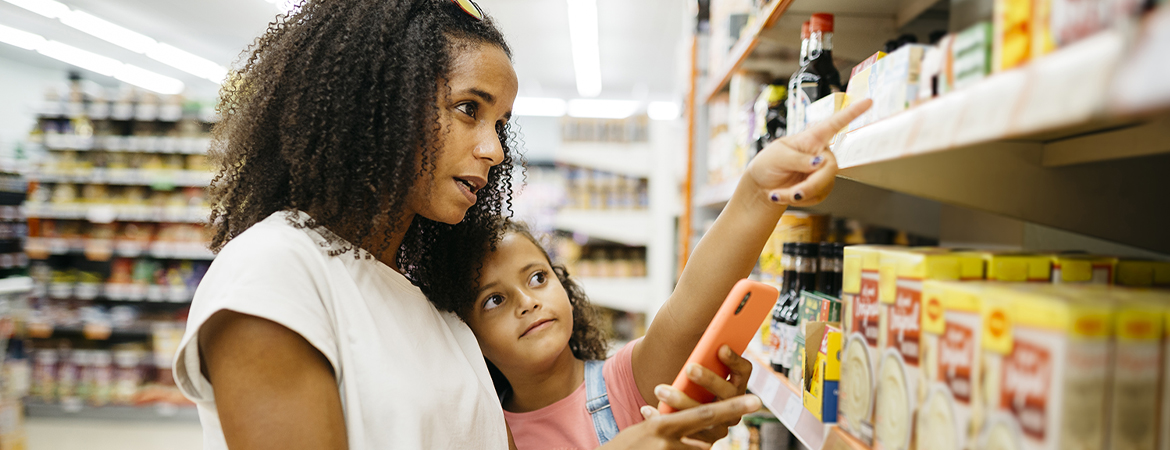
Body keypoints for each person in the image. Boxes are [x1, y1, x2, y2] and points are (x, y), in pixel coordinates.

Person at [172, 0, 761, 449]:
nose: (494, 150)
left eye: (500, 123)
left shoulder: (431, 305)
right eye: (468, 109)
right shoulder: (273, 274)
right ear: (381, 101)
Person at [413, 96, 873, 449]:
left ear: (564, 286)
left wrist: (755, 193)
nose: (528, 301)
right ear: (469, 335)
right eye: (494, 300)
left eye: (537, 278)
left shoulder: (624, 382)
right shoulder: (487, 429)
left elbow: (687, 309)